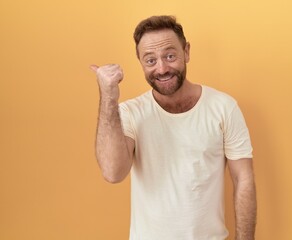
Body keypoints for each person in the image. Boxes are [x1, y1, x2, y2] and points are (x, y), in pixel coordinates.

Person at [90, 15, 256, 240]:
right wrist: (109, 95)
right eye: (150, 60)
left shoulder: (224, 107)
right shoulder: (129, 113)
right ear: (139, 61)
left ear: (186, 52)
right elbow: (113, 172)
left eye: (170, 55)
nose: (162, 68)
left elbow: (243, 179)